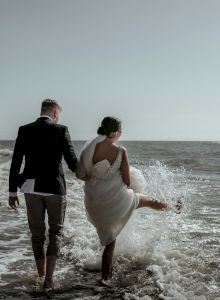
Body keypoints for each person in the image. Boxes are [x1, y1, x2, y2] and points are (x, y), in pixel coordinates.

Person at [76, 116, 181, 284]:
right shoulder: (120, 151)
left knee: (109, 240)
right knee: (149, 201)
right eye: (120, 132)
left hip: (94, 202)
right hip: (116, 200)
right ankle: (173, 208)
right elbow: (126, 181)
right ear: (116, 132)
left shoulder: (90, 147)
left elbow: (81, 174)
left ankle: (105, 280)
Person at [8, 99, 77, 291]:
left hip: (31, 189)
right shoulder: (61, 130)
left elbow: (15, 162)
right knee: (56, 231)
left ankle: (40, 274)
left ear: (42, 111)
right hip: (55, 188)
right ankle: (49, 279)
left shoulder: (24, 129)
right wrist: (90, 172)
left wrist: (12, 191)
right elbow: (72, 163)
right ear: (55, 113)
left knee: (37, 234)